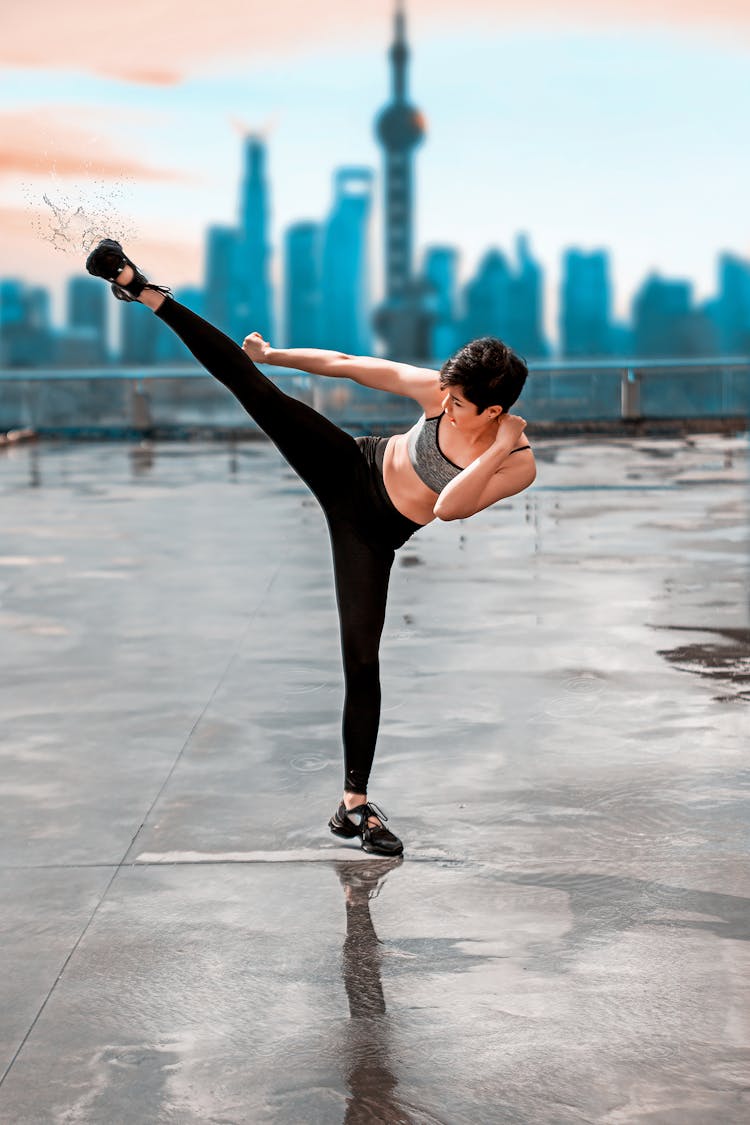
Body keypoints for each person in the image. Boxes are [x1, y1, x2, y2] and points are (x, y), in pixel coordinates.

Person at [85, 239, 537, 857]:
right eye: (446, 396)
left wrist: (498, 442)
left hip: (373, 535)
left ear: (495, 411)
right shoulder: (440, 395)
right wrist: (275, 355)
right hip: (350, 466)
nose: (445, 405)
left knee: (362, 663)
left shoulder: (516, 463)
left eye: (460, 405)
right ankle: (144, 290)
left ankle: (354, 806)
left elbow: (448, 505)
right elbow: (352, 364)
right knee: (258, 389)